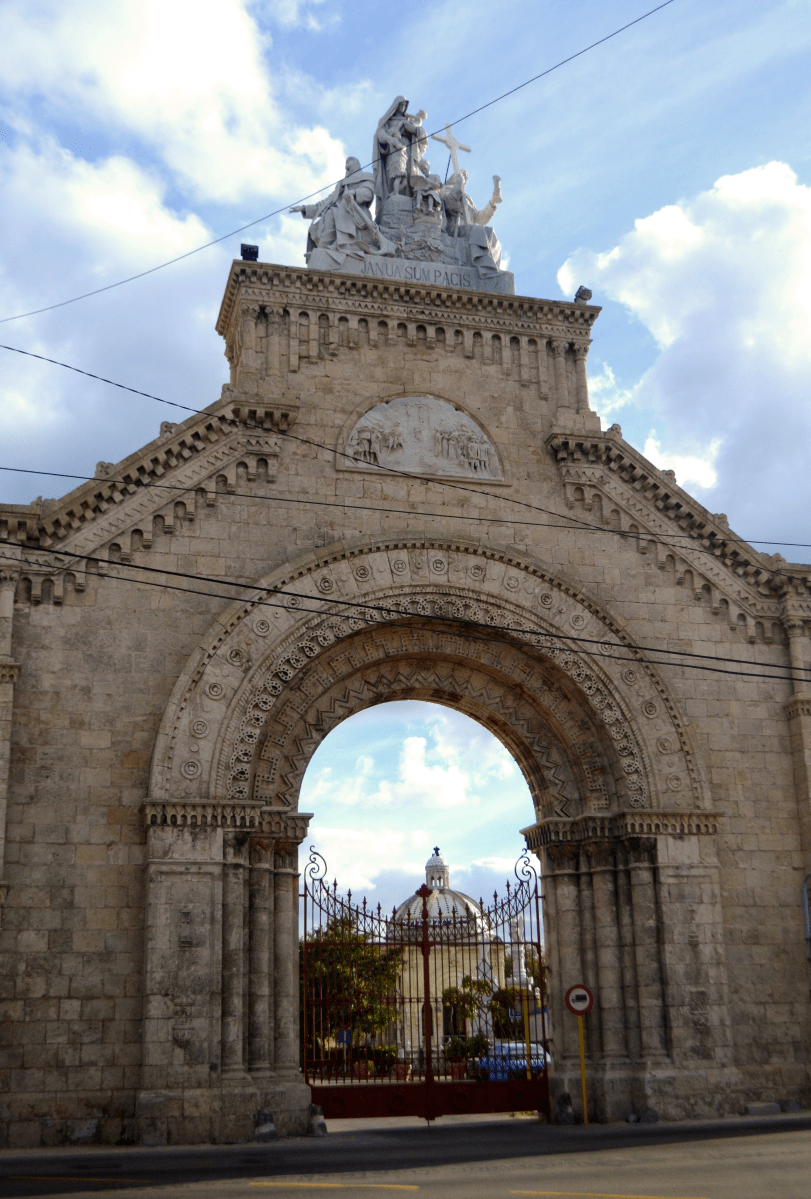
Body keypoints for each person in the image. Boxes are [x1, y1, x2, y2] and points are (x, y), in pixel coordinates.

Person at [291, 157, 393, 266]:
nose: (348, 161)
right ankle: (324, 251)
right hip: (338, 211)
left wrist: (354, 192)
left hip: (355, 213)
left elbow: (368, 193)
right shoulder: (341, 184)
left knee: (331, 214)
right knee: (324, 218)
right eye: (347, 161)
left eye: (351, 160)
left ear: (358, 164)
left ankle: (326, 251)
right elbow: (326, 202)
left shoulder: (366, 177)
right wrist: (304, 208)